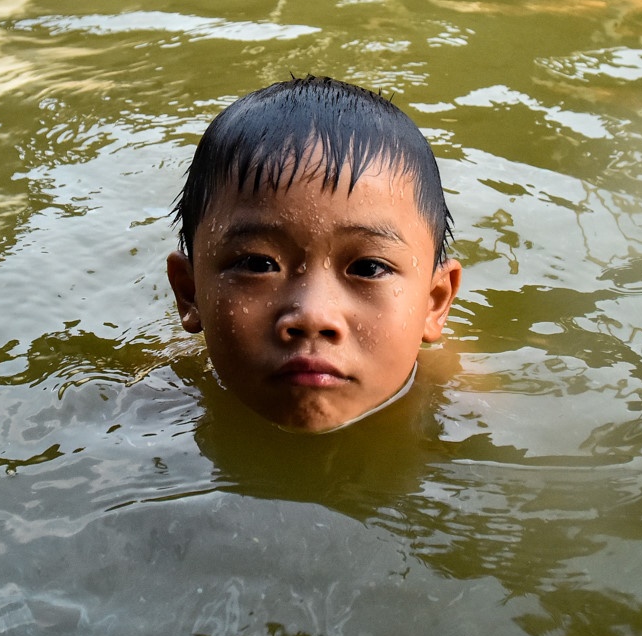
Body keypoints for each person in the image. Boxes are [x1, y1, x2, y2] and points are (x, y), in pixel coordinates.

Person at [166, 77, 462, 433]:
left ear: (434, 303)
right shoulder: (152, 410)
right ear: (190, 293)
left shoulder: (469, 411)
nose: (312, 315)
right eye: (258, 264)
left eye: (368, 268)